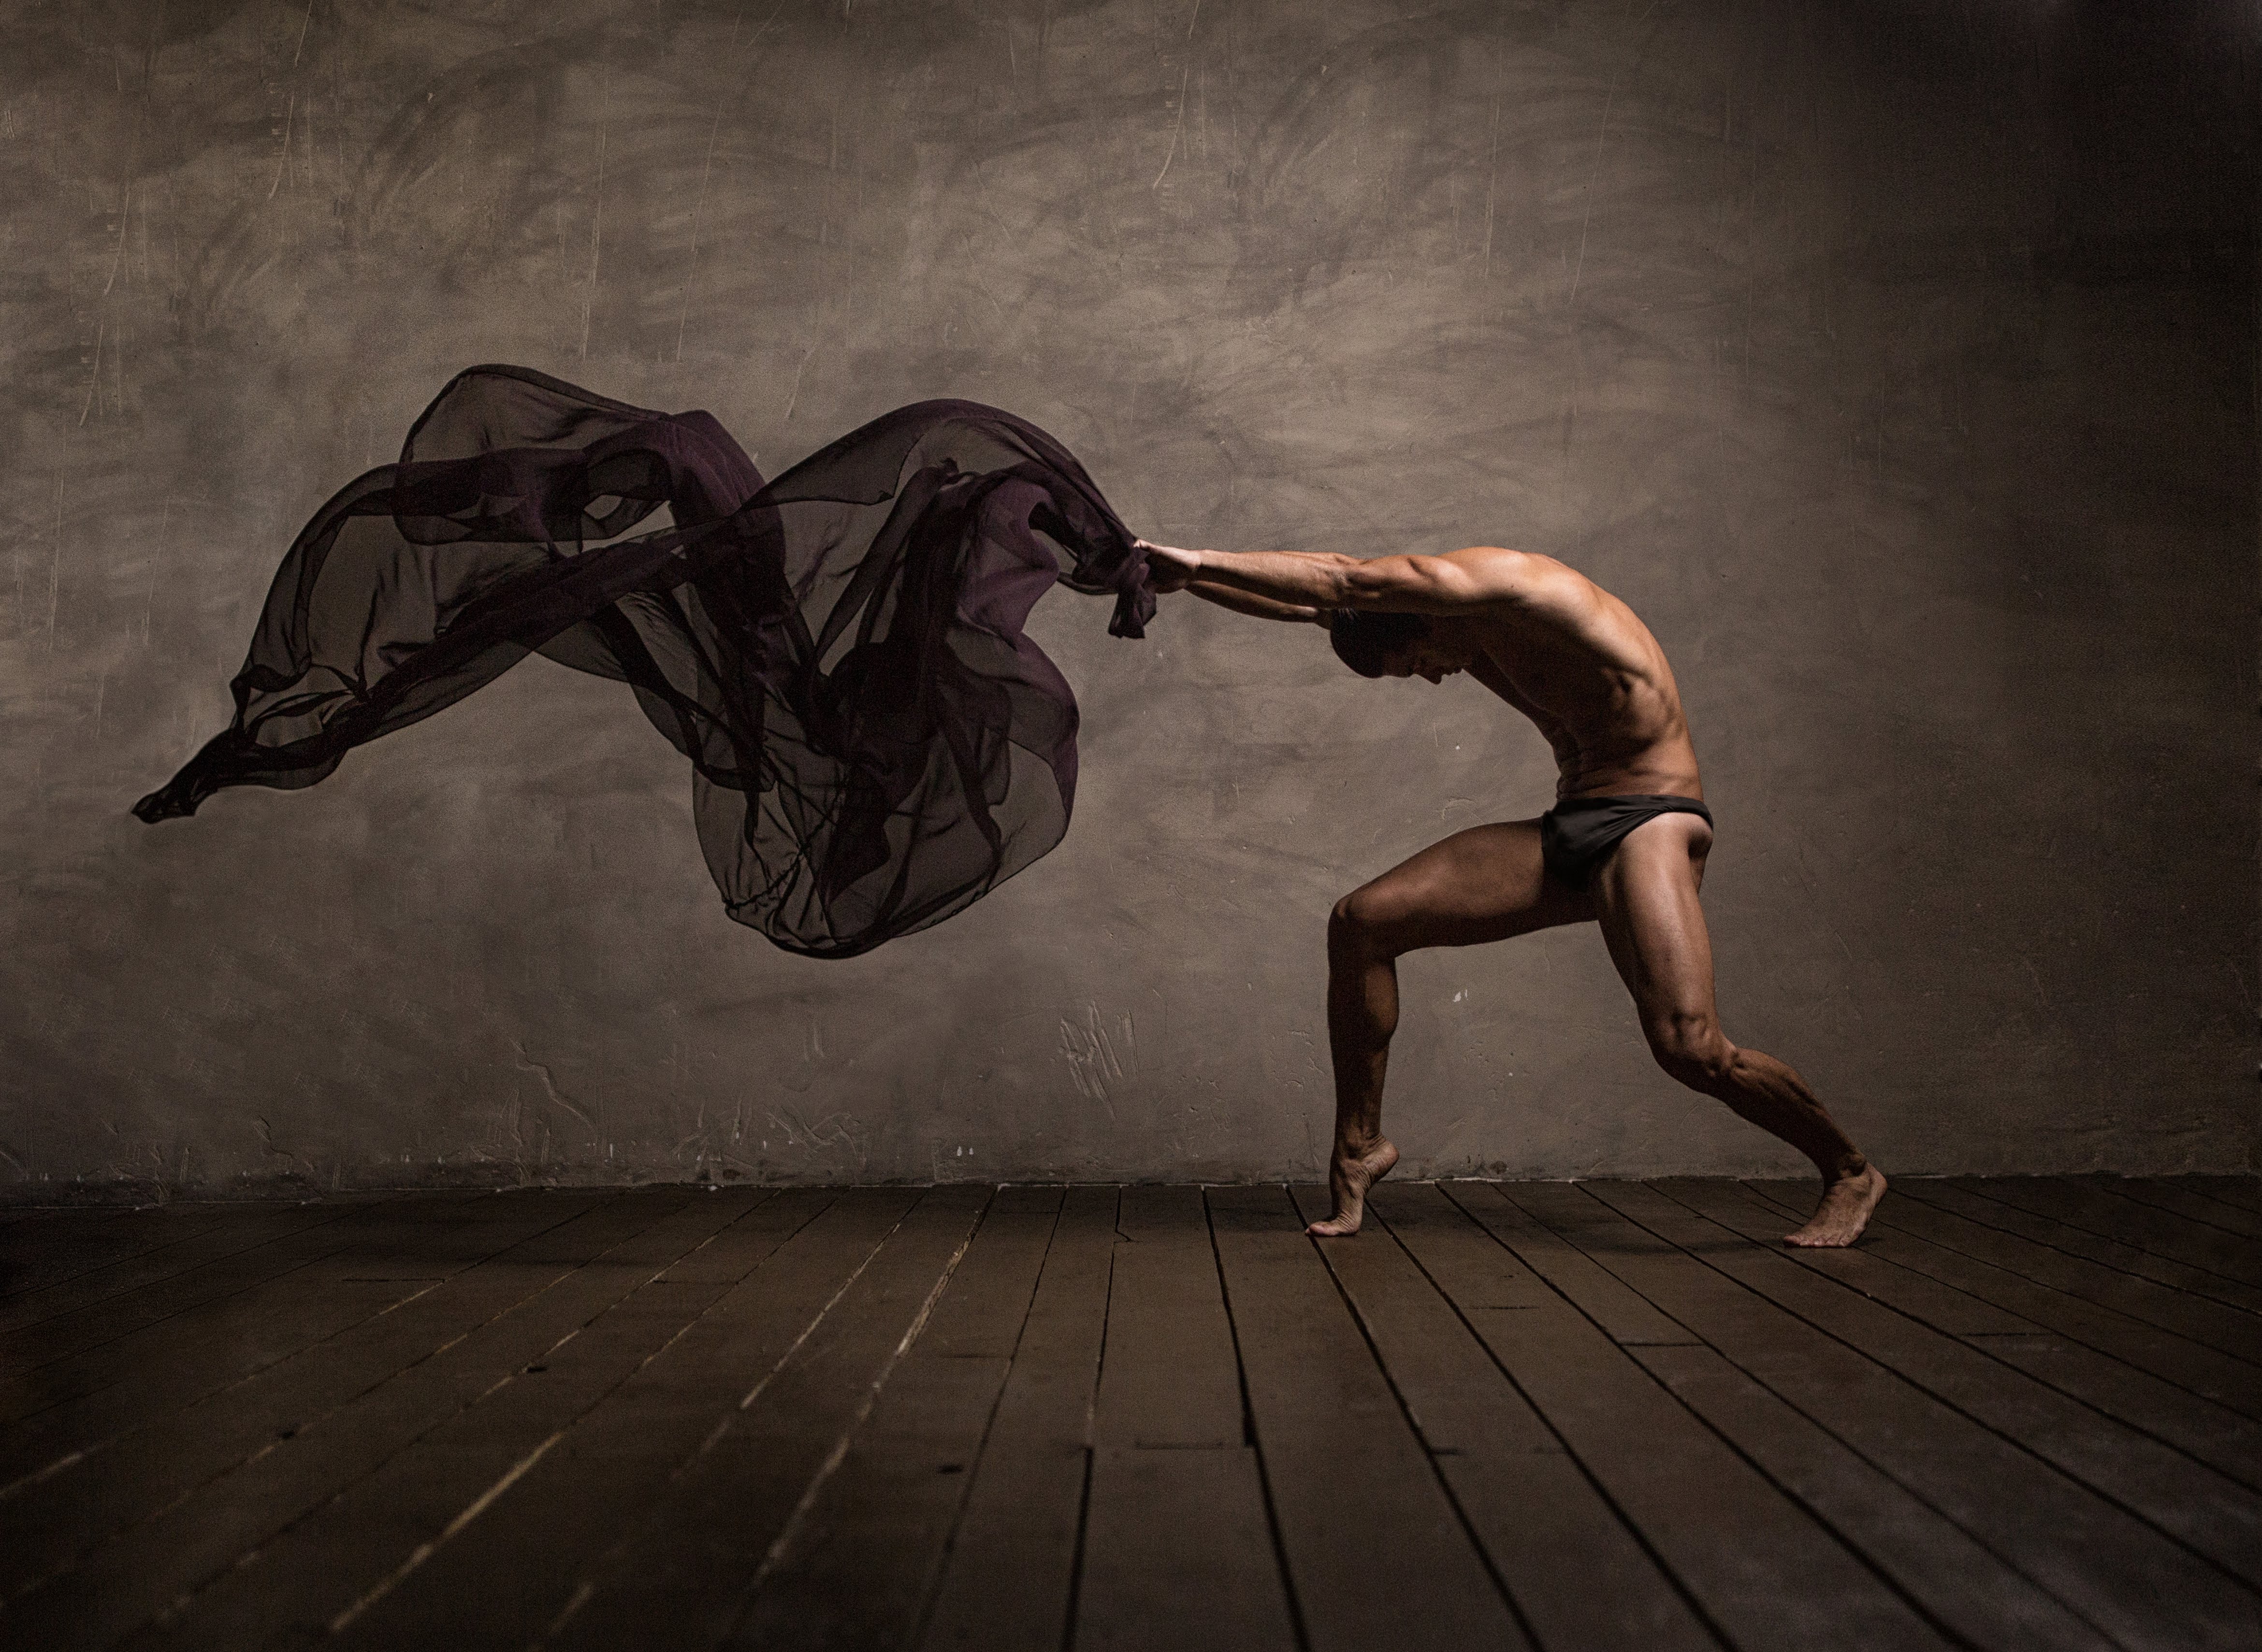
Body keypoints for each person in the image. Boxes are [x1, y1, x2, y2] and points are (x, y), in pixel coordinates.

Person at [1136, 538, 1886, 1247]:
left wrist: (1196, 555)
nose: (1432, 677)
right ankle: (1360, 1147)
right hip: (1575, 821)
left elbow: (1343, 576)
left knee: (1689, 1048)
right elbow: (1316, 602)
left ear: (1426, 614)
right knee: (1362, 922)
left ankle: (1850, 1170)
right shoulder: (1431, 617)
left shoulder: (1506, 588)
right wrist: (1182, 577)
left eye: (1418, 662)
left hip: (1649, 817)